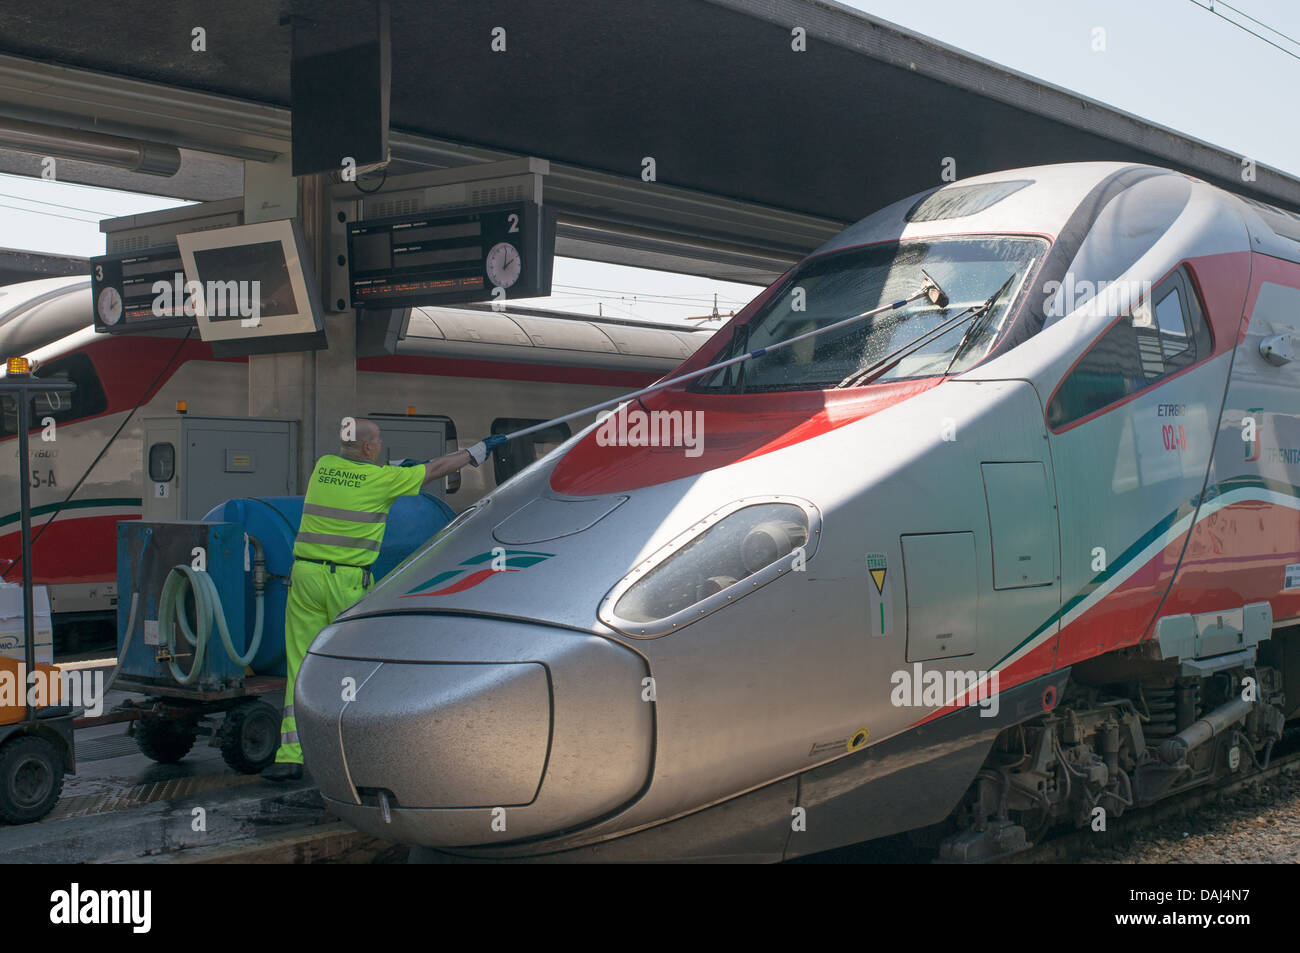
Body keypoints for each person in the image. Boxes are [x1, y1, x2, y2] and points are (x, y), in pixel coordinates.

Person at [262, 417, 504, 781]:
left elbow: (357, 470)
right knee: (354, 667)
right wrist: (476, 453)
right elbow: (437, 469)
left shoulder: (323, 468)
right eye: (377, 443)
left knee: (301, 666)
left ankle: (291, 755)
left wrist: (396, 467)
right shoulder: (383, 482)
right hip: (345, 584)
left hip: (305, 576)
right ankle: (358, 753)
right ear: (369, 448)